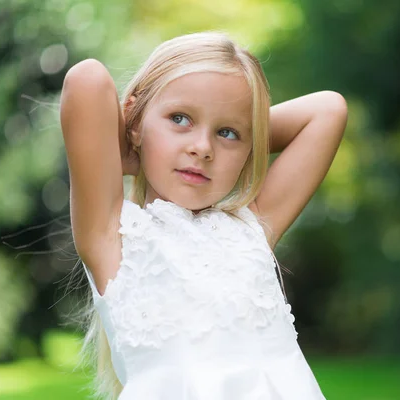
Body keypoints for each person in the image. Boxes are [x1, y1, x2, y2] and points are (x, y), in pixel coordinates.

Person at [60, 31, 348, 400]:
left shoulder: (250, 229)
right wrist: (134, 143)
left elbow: (329, 110)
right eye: (180, 119)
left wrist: (242, 139)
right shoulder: (112, 237)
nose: (202, 148)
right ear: (134, 121)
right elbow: (87, 80)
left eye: (226, 133)